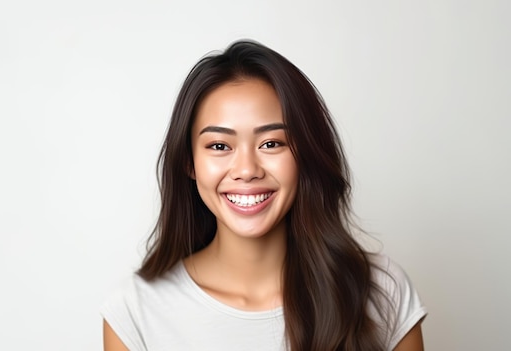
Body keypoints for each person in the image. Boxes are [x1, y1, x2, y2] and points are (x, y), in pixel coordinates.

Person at [101, 40, 426, 351]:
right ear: (189, 162)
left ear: (305, 155)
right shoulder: (137, 311)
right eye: (219, 146)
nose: (246, 169)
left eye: (271, 143)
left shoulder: (383, 292)